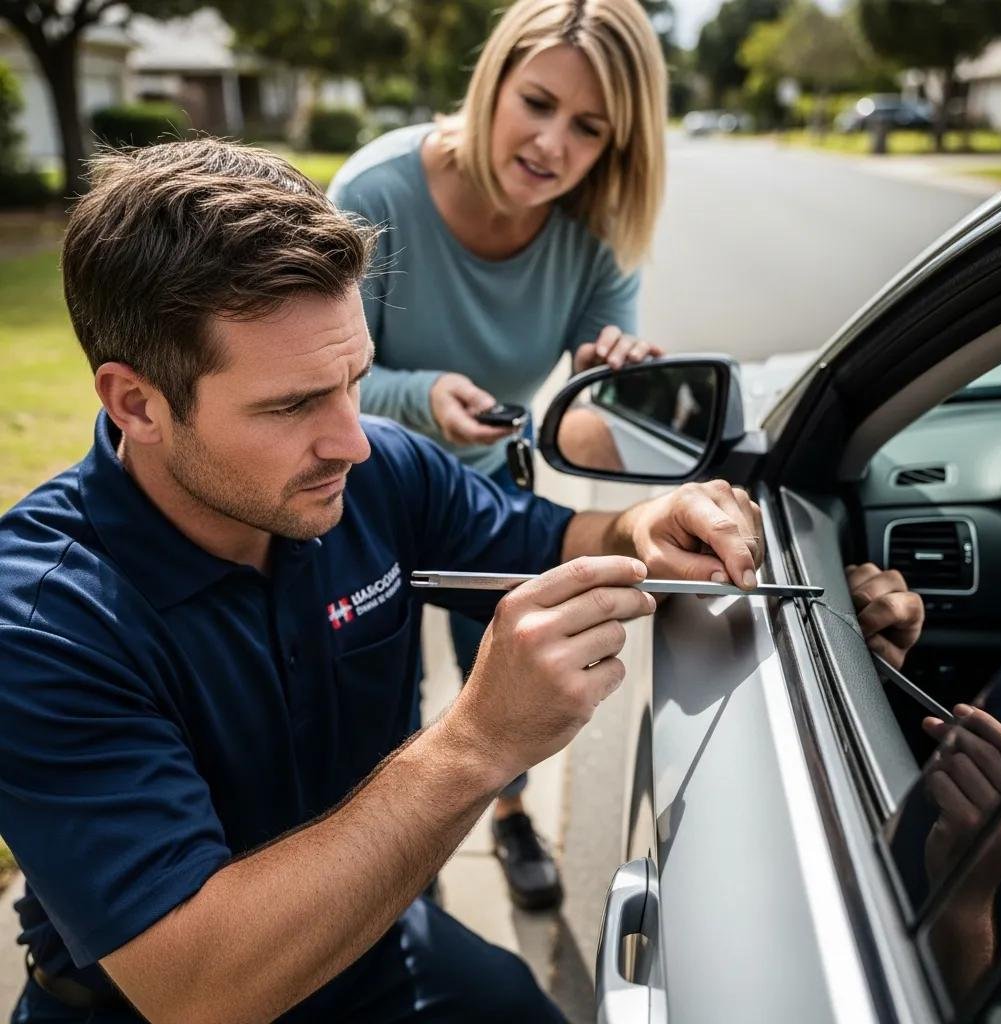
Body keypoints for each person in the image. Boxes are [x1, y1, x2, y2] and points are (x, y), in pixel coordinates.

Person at [0, 139, 767, 1024]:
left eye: (354, 381)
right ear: (136, 404)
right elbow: (198, 986)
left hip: (372, 946)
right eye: (291, 406)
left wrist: (646, 527)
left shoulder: (379, 470)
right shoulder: (41, 625)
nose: (352, 442)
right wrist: (480, 742)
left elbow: (549, 539)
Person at [326, 0, 668, 907]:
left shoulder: (594, 240)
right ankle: (393, 862)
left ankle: (510, 815)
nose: (554, 143)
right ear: (493, 82)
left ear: (615, 145)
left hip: (491, 502)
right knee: (379, 701)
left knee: (505, 674)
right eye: (538, 102)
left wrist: (611, 380)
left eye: (588, 128)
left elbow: (599, 423)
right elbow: (319, 387)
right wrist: (423, 397)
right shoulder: (374, 193)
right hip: (358, 493)